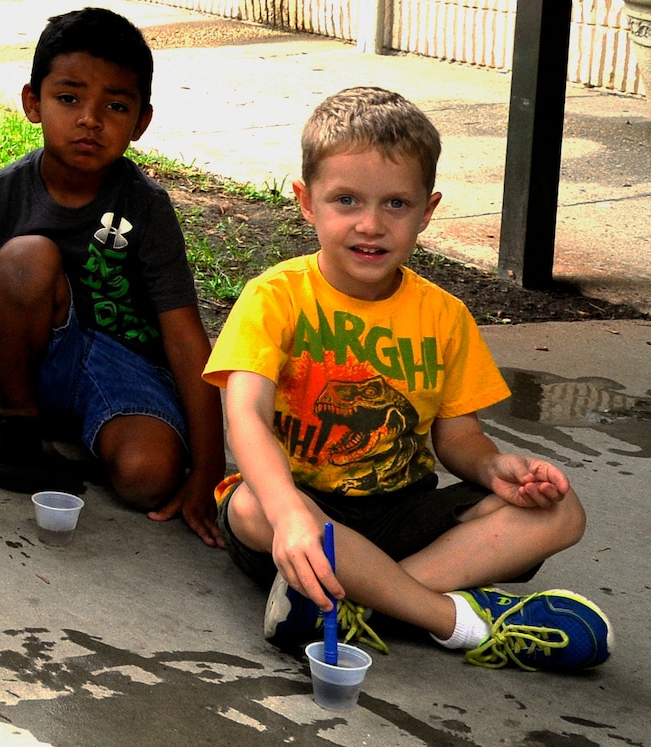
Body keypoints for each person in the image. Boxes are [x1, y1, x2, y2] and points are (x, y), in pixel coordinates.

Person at [207, 86, 608, 671]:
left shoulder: (445, 316)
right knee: (250, 506)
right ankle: (457, 622)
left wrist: (496, 467)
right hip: (299, 517)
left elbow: (460, 440)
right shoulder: (275, 296)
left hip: (400, 513)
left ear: (427, 210)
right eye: (346, 200)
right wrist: (290, 512)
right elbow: (245, 415)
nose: (371, 224)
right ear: (305, 202)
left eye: (396, 204)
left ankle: (354, 605)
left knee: (561, 512)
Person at [0, 7, 225, 545]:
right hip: (39, 356)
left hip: (125, 366)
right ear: (32, 103)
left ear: (140, 122)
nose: (91, 119)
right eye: (69, 98)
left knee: (147, 480)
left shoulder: (148, 208)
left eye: (115, 105)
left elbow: (184, 337)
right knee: (25, 258)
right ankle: (20, 424)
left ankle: (86, 433)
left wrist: (209, 469)